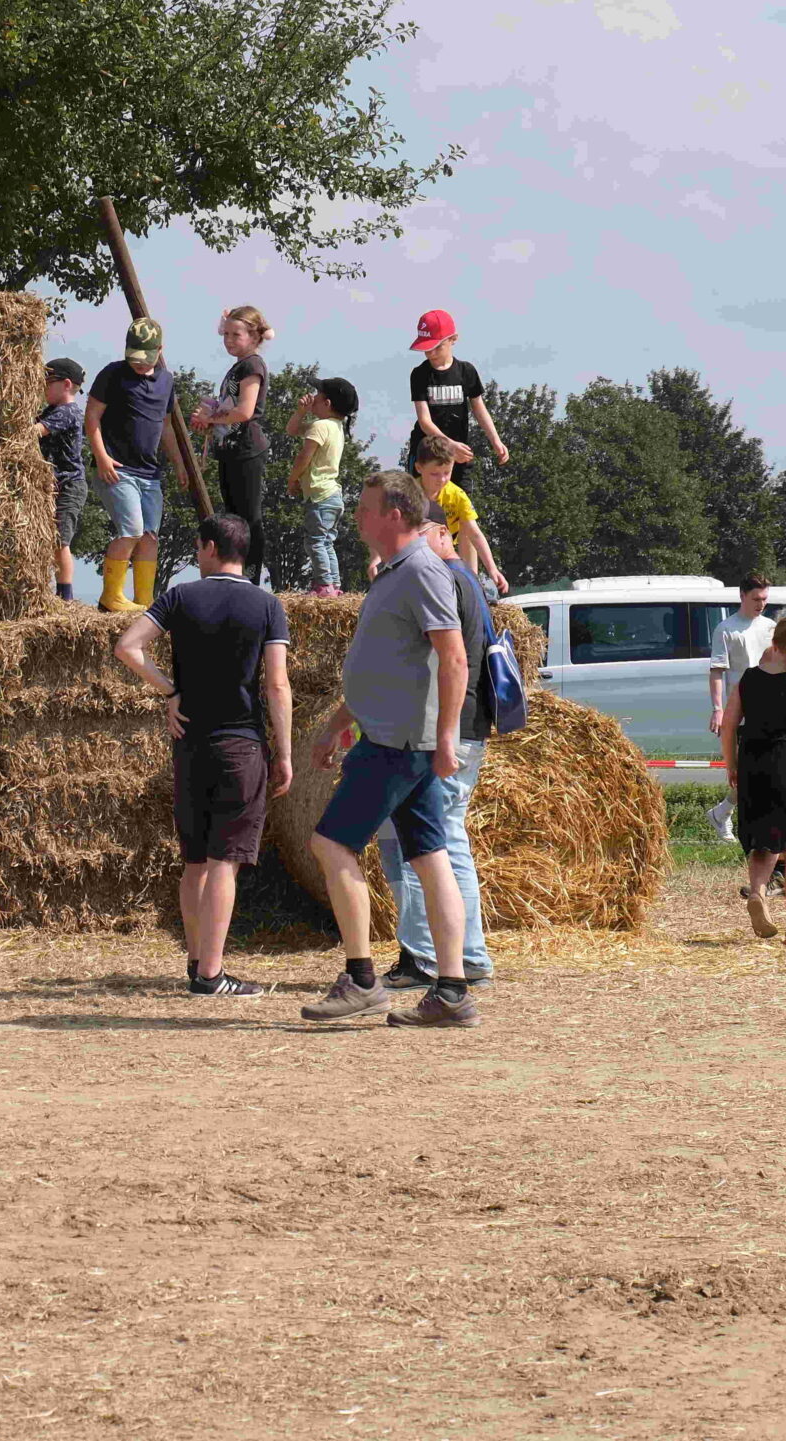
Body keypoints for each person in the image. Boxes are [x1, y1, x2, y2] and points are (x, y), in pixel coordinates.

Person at [297, 471, 478, 1030]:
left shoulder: (421, 570)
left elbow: (453, 658)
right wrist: (336, 725)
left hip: (398, 743)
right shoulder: (396, 572)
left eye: (365, 507)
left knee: (330, 844)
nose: (356, 517)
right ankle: (452, 993)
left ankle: (360, 979)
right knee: (431, 857)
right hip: (393, 735)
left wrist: (445, 739)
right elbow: (384, 666)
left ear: (395, 514)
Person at [112, 514, 292, 996]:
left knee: (195, 861)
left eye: (198, 547)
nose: (196, 554)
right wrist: (285, 753)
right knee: (224, 863)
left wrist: (171, 691)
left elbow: (127, 647)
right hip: (240, 746)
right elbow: (277, 684)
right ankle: (212, 975)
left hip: (190, 745)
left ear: (211, 548)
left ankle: (196, 964)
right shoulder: (267, 604)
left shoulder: (180, 597)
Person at [377, 518, 496, 989]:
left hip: (443, 729)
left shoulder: (440, 578)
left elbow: (441, 660)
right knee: (449, 842)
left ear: (443, 533)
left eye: (417, 530)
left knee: (422, 845)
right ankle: (469, 956)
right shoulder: (467, 581)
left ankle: (424, 958)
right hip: (467, 727)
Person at [721, 612, 786, 945]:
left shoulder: (749, 678)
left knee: (762, 842)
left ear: (775, 641)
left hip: (752, 763)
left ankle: (758, 890)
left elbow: (728, 725)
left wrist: (732, 765)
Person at [85, 319, 173, 614]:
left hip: (150, 474)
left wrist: (179, 464)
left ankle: (144, 600)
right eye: (133, 356)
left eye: (145, 357)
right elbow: (92, 416)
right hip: (117, 469)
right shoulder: (112, 374)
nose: (138, 363)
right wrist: (101, 457)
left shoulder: (166, 381)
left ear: (159, 350)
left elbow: (166, 426)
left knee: (150, 537)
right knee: (132, 530)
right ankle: (111, 597)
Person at [188, 307, 273, 587]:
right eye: (225, 334)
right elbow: (231, 408)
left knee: (248, 520)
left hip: (246, 449)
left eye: (236, 334)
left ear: (254, 336)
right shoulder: (239, 366)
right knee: (233, 519)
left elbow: (245, 411)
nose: (228, 340)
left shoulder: (252, 365)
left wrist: (211, 417)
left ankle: (251, 579)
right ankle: (235, 575)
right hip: (231, 449)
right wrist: (210, 418)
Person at [704, 575, 776, 843]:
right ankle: (726, 814)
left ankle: (723, 813)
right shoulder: (725, 629)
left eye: (765, 599)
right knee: (743, 771)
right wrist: (718, 709)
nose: (761, 604)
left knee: (765, 769)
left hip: (769, 707)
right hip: (740, 709)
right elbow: (717, 671)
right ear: (742, 596)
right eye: (756, 599)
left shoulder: (771, 627)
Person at [406, 309, 509, 474]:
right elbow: (424, 421)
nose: (430, 353)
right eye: (426, 348)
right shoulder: (419, 374)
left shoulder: (466, 371)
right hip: (427, 455)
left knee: (461, 491)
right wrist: (449, 445)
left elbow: (479, 409)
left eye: (437, 346)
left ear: (453, 339)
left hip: (460, 454)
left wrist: (495, 440)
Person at [287, 377, 356, 596]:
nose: (313, 397)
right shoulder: (334, 426)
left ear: (327, 403)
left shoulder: (319, 426)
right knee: (327, 542)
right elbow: (292, 429)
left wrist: (292, 479)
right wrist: (301, 412)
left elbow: (304, 457)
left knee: (315, 542)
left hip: (319, 496)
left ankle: (324, 586)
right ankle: (334, 585)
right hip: (333, 496)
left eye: (317, 394)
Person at [407, 446, 508, 596]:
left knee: (467, 529)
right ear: (419, 468)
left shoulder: (457, 495)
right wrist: (377, 559)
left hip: (446, 551)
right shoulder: (408, 495)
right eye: (434, 474)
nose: (442, 480)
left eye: (447, 473)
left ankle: (472, 586)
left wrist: (492, 569)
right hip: (417, 553)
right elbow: (388, 528)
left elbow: (476, 534)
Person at [37, 357, 90, 603]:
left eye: (47, 382)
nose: (42, 388)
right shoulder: (52, 410)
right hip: (55, 485)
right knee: (50, 539)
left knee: (61, 541)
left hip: (70, 485)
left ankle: (65, 597)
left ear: (66, 384)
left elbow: (35, 431)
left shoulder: (67, 412)